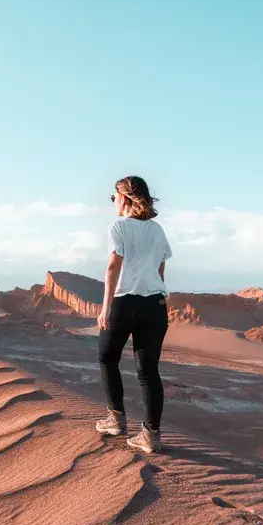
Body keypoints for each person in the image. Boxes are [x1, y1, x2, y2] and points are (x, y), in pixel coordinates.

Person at [95, 175, 172, 454]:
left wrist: (105, 308)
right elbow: (160, 269)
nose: (113, 201)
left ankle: (115, 419)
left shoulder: (118, 226)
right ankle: (150, 436)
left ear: (124, 198)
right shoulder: (157, 230)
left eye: (114, 196)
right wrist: (162, 296)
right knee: (148, 371)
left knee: (107, 358)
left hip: (125, 304)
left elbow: (113, 267)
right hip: (155, 305)